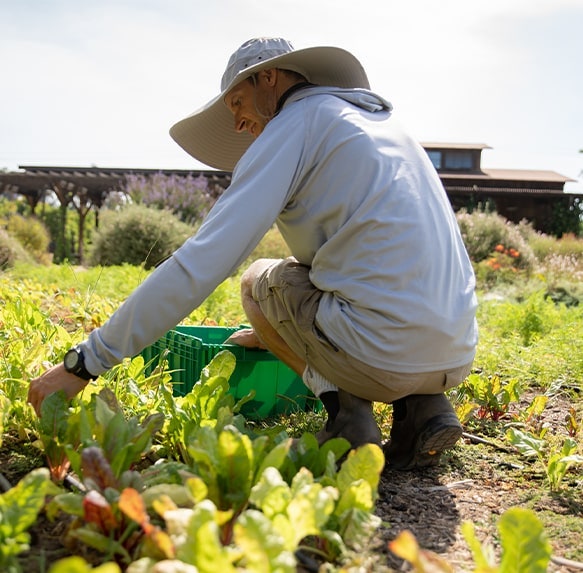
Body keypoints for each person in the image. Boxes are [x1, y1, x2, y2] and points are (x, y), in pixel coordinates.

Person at [28, 37, 478, 470]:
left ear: (269, 78)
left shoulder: (295, 123)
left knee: (256, 280)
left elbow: (204, 260)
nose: (239, 125)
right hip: (454, 353)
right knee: (344, 279)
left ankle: (348, 417)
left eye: (237, 104)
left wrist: (85, 362)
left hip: (382, 355)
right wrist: (272, 332)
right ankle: (424, 409)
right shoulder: (378, 126)